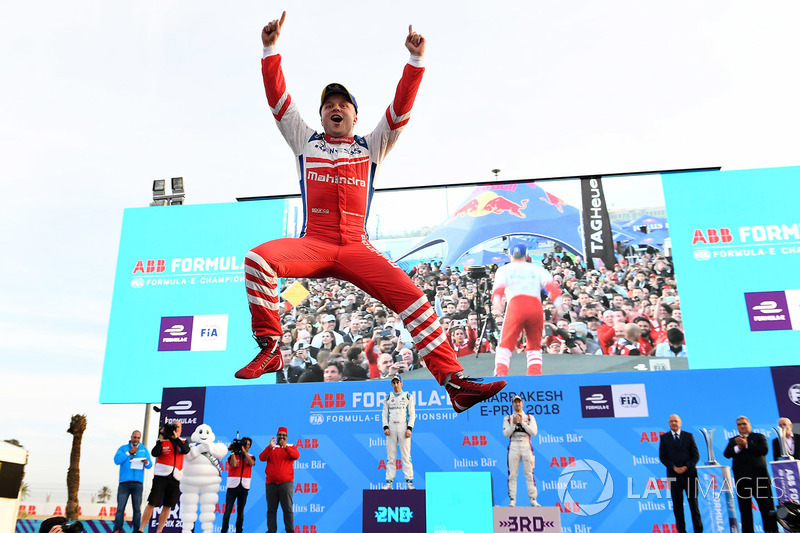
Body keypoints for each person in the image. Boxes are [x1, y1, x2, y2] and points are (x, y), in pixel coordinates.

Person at [235, 11, 506, 413]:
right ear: (322, 114)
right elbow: (279, 102)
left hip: (358, 248)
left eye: (343, 104)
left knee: (415, 300)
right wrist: (270, 49)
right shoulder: (305, 140)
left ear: (355, 116)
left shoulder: (371, 145)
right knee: (257, 259)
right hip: (315, 244)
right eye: (329, 105)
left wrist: (415, 63)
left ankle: (455, 382)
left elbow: (399, 111)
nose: (335, 108)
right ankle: (271, 347)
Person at [492, 243, 562, 376]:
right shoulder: (537, 269)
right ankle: (534, 374)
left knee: (506, 342)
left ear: (510, 255)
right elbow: (552, 287)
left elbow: (498, 290)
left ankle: (501, 373)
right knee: (534, 344)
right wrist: (558, 304)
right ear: (526, 255)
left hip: (516, 305)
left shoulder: (504, 270)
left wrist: (497, 304)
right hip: (535, 306)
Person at [723, 416, 778, 533]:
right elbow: (726, 454)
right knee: (745, 510)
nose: (742, 426)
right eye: (739, 424)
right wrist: (738, 447)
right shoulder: (733, 440)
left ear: (749, 425)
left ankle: (772, 531)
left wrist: (746, 445)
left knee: (766, 508)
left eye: (744, 424)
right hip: (742, 480)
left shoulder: (758, 437)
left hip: (760, 479)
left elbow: (764, 450)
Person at [141, 420, 190, 533]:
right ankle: (141, 529)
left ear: (181, 429)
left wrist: (176, 438)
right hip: (160, 477)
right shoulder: (163, 441)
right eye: (174, 427)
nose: (175, 429)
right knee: (152, 503)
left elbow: (185, 450)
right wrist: (161, 439)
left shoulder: (183, 441)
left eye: (177, 427)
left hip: (175, 478)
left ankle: (159, 531)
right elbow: (155, 453)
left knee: (167, 506)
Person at [658, 414, 702, 533]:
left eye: (676, 421)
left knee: (694, 505)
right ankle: (681, 531)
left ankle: (698, 530)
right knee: (677, 507)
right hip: (674, 476)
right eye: (671, 421)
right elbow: (662, 457)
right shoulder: (664, 438)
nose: (674, 423)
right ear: (669, 423)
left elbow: (696, 456)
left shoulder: (689, 436)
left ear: (680, 422)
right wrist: (673, 467)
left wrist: (687, 466)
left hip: (690, 476)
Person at [259, 427, 300, 533]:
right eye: (280, 434)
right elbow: (261, 458)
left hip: (286, 483)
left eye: (284, 435)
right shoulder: (271, 447)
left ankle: (290, 531)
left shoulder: (291, 446)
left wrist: (286, 447)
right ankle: (271, 531)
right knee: (271, 510)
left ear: (286, 437)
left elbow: (296, 456)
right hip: (271, 484)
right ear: (276, 435)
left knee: (287, 509)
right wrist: (269, 447)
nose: (281, 437)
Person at [112, 430, 152, 533]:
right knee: (120, 508)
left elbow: (150, 465)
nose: (136, 440)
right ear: (131, 437)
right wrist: (129, 452)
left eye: (138, 438)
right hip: (124, 483)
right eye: (134, 437)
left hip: (138, 484)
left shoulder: (143, 449)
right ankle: (117, 529)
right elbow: (116, 460)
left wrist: (146, 462)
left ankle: (136, 530)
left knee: (137, 510)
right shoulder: (123, 448)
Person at [503, 395, 539, 506]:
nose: (517, 404)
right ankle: (512, 500)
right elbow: (506, 434)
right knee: (512, 474)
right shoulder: (508, 418)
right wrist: (514, 424)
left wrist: (522, 422)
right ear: (513, 404)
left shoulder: (529, 417)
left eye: (519, 402)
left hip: (526, 444)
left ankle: (533, 500)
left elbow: (533, 432)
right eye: (515, 402)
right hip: (513, 444)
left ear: (522, 404)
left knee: (529, 473)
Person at [382, 374, 416, 490]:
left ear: (401, 383)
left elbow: (412, 414)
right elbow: (384, 414)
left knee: (406, 456)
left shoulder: (408, 396)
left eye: (398, 382)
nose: (396, 385)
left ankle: (409, 482)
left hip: (403, 427)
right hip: (391, 428)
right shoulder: (387, 398)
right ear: (391, 384)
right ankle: (389, 482)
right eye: (394, 383)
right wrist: (385, 427)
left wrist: (409, 428)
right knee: (391, 456)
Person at [221, 437, 255, 533]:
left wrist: (245, 453)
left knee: (240, 512)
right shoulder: (234, 455)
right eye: (244, 444)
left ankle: (239, 531)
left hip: (244, 488)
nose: (246, 446)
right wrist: (232, 452)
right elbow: (234, 464)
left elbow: (251, 463)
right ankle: (224, 530)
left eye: (248, 445)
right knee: (228, 511)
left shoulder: (251, 456)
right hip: (232, 487)